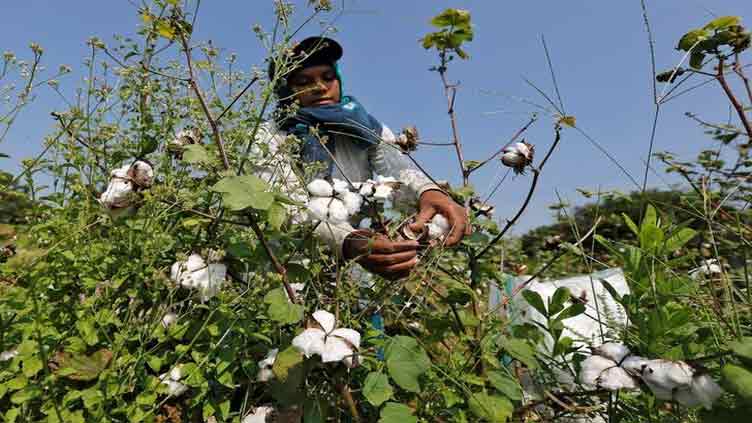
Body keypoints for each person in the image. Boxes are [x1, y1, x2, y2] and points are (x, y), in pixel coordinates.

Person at [256, 36, 468, 279]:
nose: (320, 87)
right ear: (286, 90)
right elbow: (286, 206)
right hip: (289, 266)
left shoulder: (364, 126)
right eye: (304, 81)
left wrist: (428, 191)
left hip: (354, 267)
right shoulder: (269, 135)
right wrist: (346, 240)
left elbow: (398, 171)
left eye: (327, 77)